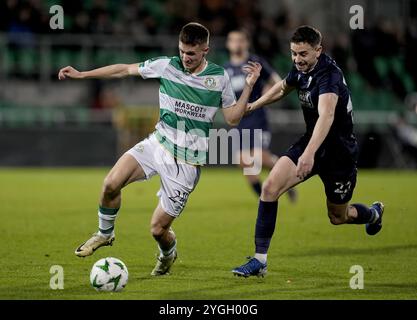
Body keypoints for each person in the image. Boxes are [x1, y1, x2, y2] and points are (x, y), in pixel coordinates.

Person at [58, 22, 262, 276]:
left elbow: (232, 119)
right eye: (182, 51)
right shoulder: (167, 65)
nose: (185, 58)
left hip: (187, 162)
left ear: (205, 50)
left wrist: (250, 86)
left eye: (192, 53)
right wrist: (82, 74)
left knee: (158, 229)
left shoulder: (219, 78)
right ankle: (104, 234)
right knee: (111, 183)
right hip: (158, 144)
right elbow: (124, 70)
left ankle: (168, 254)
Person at [232, 25, 385, 277]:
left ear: (318, 50)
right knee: (270, 188)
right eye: (293, 53)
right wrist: (254, 105)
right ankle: (260, 261)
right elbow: (282, 87)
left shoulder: (329, 75)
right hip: (310, 142)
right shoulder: (302, 70)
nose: (297, 59)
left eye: (302, 54)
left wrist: (309, 154)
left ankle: (373, 213)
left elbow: (327, 115)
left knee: (338, 216)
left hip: (339, 154)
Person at [224, 29, 297, 202]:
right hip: (240, 120)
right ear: (228, 44)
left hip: (257, 117)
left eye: (240, 40)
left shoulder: (255, 62)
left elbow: (277, 82)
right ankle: (263, 198)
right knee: (243, 161)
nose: (237, 44)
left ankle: (287, 175)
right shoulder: (226, 69)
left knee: (260, 157)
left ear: (247, 43)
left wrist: (263, 98)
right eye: (233, 40)